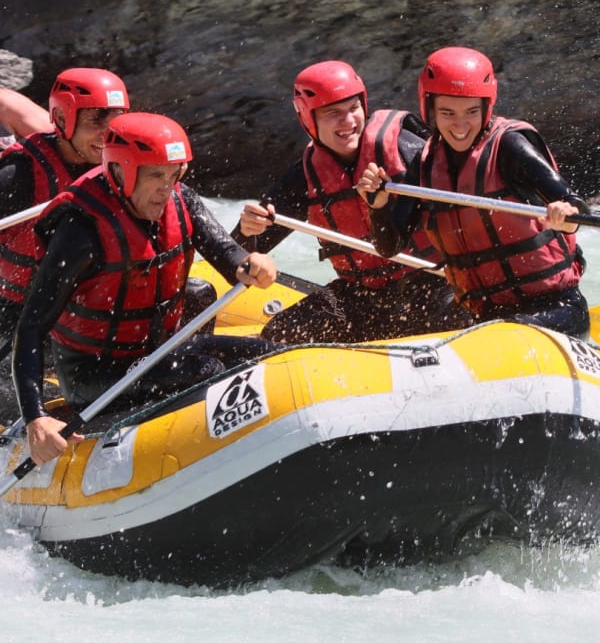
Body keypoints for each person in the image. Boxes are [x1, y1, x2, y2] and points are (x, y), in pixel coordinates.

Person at [12, 112, 278, 466]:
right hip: (94, 374)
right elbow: (31, 328)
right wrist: (35, 418)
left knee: (270, 355)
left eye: (174, 174)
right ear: (120, 172)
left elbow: (229, 256)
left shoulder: (181, 199)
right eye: (155, 175)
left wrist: (250, 263)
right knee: (209, 370)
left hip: (157, 353)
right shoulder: (81, 232)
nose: (166, 188)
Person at [358, 46, 590, 339]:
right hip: (485, 315)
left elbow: (574, 207)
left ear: (486, 108)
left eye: (471, 112)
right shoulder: (425, 165)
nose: (460, 125)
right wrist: (378, 207)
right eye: (447, 113)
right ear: (430, 109)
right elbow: (389, 247)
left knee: (497, 335)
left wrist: (566, 215)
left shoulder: (510, 146)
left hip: (556, 309)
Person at [232, 60, 463, 344]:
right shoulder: (304, 177)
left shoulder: (406, 148)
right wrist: (248, 231)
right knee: (280, 333)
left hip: (434, 283)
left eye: (353, 108)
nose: (348, 121)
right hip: (363, 296)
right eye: (333, 113)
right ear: (308, 119)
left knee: (456, 319)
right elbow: (235, 253)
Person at [0, 68, 130, 359]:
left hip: (93, 302)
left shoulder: (123, 164)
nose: (108, 133)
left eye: (116, 120)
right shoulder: (19, 174)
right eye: (96, 119)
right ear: (61, 119)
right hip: (25, 313)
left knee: (200, 293)